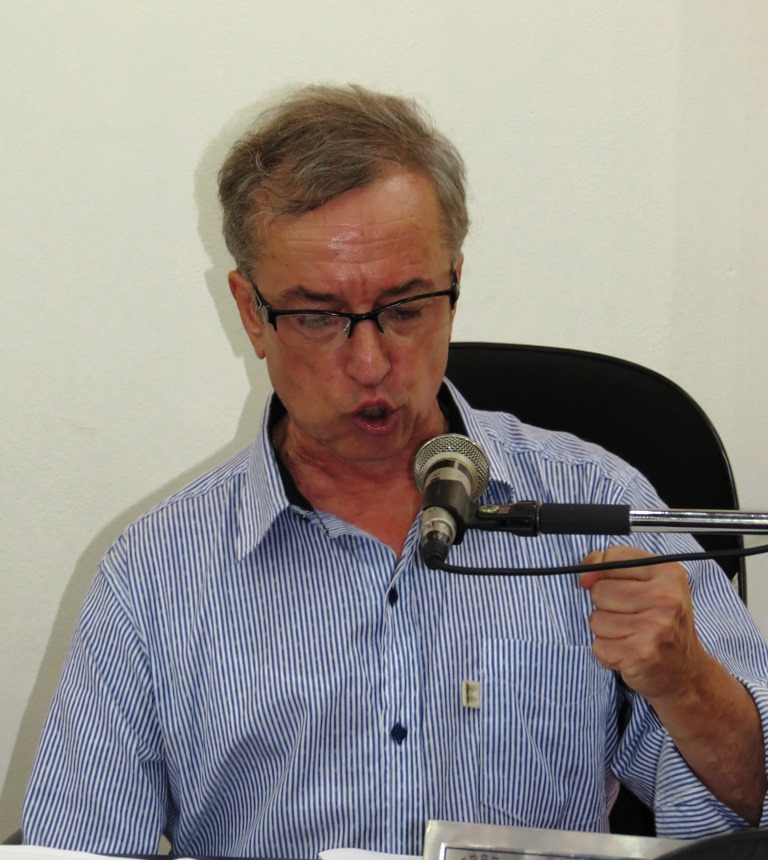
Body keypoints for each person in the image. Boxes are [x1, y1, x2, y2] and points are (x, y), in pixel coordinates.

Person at [23, 84, 768, 858]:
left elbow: (756, 808)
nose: (371, 362)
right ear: (251, 312)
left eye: (406, 308)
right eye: (318, 317)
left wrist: (688, 685)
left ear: (454, 288)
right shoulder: (152, 577)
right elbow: (77, 846)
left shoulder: (596, 504)